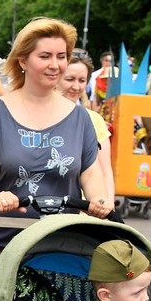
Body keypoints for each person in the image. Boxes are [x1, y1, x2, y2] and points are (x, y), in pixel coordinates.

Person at [0, 17, 112, 249]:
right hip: (4, 239)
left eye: (61, 56)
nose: (55, 64)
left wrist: (98, 199)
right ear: (23, 60)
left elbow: (91, 173)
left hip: (62, 241)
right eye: (45, 56)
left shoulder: (80, 118)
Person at [58, 53, 115, 208]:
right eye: (69, 79)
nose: (76, 87)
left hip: (86, 210)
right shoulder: (38, 116)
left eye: (82, 80)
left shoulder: (94, 120)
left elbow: (105, 172)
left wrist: (108, 205)